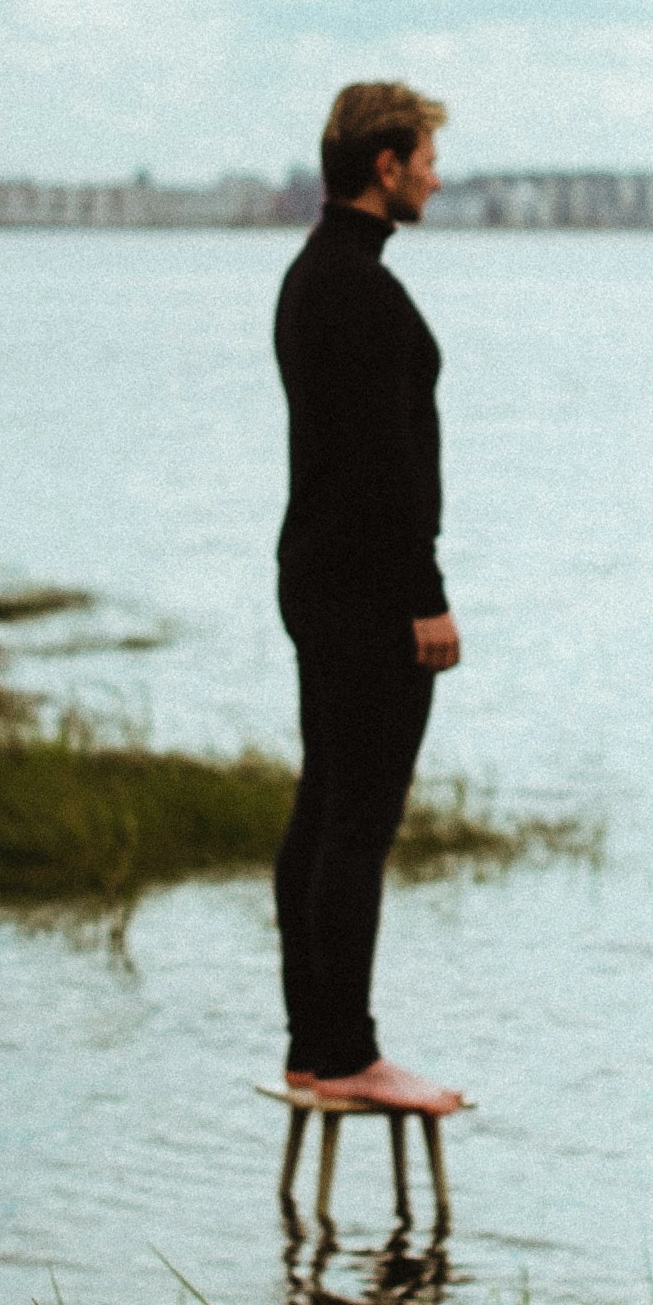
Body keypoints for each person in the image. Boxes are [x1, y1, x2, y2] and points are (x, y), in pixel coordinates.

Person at [271, 80, 464, 1114]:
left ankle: (317, 1042)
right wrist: (425, 597)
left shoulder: (314, 276)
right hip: (369, 593)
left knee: (323, 808)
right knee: (358, 824)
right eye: (426, 155)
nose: (438, 172)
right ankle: (347, 1051)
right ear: (385, 165)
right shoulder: (361, 291)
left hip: (317, 575)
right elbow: (388, 466)